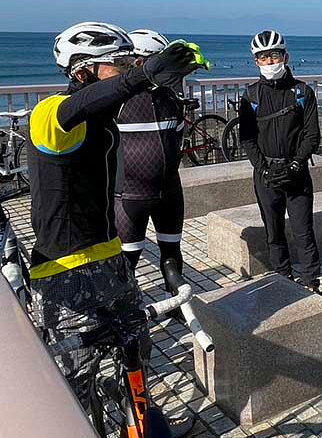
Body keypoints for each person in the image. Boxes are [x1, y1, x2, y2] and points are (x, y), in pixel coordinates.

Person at [27, 22, 204, 407]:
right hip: (64, 271)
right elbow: (84, 104)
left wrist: (160, 77)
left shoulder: (104, 120)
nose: (125, 69)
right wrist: (141, 73)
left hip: (110, 257)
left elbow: (113, 101)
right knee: (73, 385)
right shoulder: (49, 115)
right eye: (118, 63)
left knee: (137, 346)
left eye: (128, 62)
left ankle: (132, 415)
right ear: (81, 71)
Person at [238, 30, 322, 292]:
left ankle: (311, 282)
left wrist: (297, 163)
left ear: (285, 56)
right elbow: (247, 138)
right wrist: (262, 169)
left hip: (296, 173)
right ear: (256, 62)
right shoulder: (250, 96)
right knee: (273, 232)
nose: (269, 61)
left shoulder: (302, 92)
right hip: (266, 175)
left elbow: (312, 133)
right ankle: (283, 278)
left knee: (303, 232)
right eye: (263, 57)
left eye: (274, 55)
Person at [115, 29, 188, 291]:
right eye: (159, 61)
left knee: (172, 256)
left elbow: (178, 138)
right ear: (139, 62)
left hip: (169, 192)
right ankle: (124, 317)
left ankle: (175, 304)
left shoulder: (170, 95)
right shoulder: (119, 101)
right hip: (128, 196)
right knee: (128, 261)